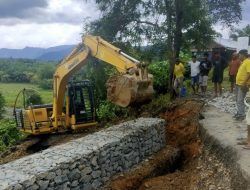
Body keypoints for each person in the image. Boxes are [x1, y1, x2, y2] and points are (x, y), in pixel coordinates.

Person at [234, 49, 250, 121]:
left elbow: (249, 73)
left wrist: (244, 83)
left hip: (242, 84)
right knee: (237, 99)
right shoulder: (243, 62)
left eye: (239, 55)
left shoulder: (248, 62)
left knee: (240, 100)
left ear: (243, 55)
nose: (238, 56)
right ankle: (239, 112)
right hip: (238, 84)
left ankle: (241, 115)